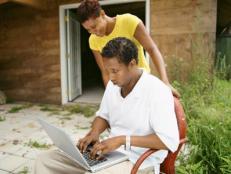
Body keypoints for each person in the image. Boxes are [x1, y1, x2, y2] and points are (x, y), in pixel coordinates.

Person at [34, 37, 179, 174]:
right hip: (109, 153)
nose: (111, 77)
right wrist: (94, 133)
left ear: (132, 64)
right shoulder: (113, 85)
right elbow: (103, 115)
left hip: (138, 161)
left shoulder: (157, 91)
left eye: (115, 71)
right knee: (45, 160)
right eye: (107, 71)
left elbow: (168, 141)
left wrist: (122, 140)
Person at [76, 0, 179, 97]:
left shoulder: (129, 22)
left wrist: (165, 82)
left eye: (94, 26)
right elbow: (105, 71)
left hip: (140, 83)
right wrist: (110, 96)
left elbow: (152, 49)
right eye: (88, 30)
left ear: (102, 14)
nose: (94, 32)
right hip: (120, 89)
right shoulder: (93, 40)